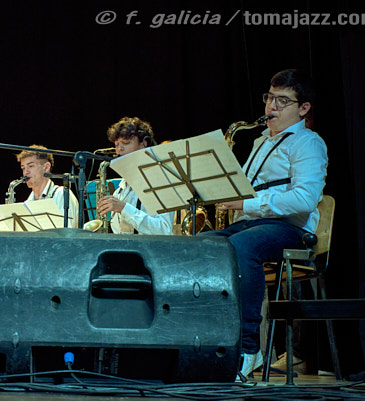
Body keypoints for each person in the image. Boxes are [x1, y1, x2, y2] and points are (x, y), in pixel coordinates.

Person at [200, 69, 328, 377]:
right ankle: (209, 342)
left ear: (303, 108)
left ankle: (249, 348)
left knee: (241, 247)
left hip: (292, 229)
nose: (271, 106)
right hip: (252, 224)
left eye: (282, 101)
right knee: (199, 247)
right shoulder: (260, 142)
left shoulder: (308, 143)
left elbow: (304, 199)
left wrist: (246, 204)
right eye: (270, 98)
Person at [0, 145, 79, 320]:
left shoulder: (62, 194)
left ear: (46, 167)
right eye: (23, 167)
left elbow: (68, 239)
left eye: (31, 166)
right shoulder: (25, 204)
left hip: (51, 270)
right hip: (24, 270)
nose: (26, 172)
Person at [96, 116, 174, 235]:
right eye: (116, 145)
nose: (119, 150)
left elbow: (164, 230)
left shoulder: (159, 182)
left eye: (126, 143)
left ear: (143, 144)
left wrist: (124, 208)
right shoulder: (120, 191)